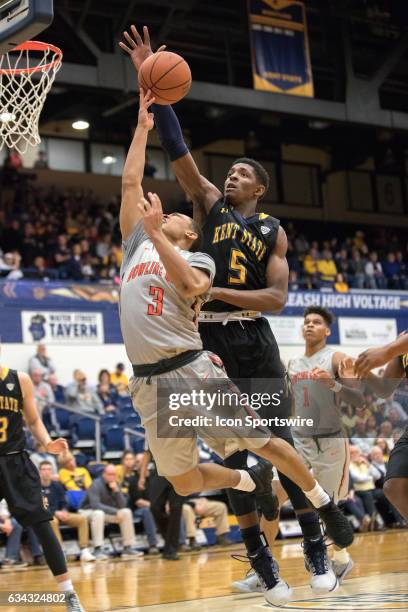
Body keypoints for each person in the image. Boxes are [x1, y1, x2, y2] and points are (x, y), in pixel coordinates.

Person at [119, 25, 343, 604]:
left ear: (260, 189)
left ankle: (317, 543)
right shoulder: (206, 207)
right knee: (238, 456)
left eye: (242, 174)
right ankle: (265, 564)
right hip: (203, 344)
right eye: (231, 172)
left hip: (253, 340)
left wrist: (218, 296)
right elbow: (176, 150)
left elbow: (275, 300)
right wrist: (156, 86)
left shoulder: (272, 232)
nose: (231, 176)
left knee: (277, 439)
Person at [287, 307, 364, 584]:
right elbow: (291, 404)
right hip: (299, 438)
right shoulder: (292, 363)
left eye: (316, 322)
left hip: (330, 442)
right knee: (287, 495)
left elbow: (359, 400)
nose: (309, 325)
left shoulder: (338, 358)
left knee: (327, 505)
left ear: (327, 330)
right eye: (306, 322)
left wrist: (331, 384)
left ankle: (340, 556)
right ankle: (319, 554)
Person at [0, 360, 84, 610]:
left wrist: (47, 443)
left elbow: (34, 421)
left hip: (16, 462)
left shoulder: (20, 380)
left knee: (43, 525)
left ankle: (69, 596)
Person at [352, 332, 408, 520]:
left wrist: (386, 350)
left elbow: (387, 351)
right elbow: (385, 389)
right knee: (394, 485)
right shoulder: (403, 338)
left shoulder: (397, 344)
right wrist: (363, 370)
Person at [80, 464, 142, 559]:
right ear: (104, 474)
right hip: (87, 511)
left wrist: (117, 491)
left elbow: (122, 505)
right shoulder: (95, 484)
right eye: (110, 474)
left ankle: (127, 548)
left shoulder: (116, 484)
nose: (112, 477)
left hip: (105, 512)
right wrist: (115, 511)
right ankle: (97, 549)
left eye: (114, 474)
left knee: (126, 512)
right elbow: (95, 505)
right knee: (98, 513)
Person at [39, 461, 96, 562]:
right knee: (53, 521)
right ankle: (60, 552)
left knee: (82, 519)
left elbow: (64, 501)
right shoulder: (37, 488)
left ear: (52, 471)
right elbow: (40, 506)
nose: (46, 472)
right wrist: (55, 513)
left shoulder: (57, 485)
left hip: (61, 513)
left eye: (49, 469)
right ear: (39, 472)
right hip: (47, 516)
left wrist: (65, 510)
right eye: (44, 469)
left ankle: (84, 550)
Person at [127, 453, 160, 555]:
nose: (140, 463)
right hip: (138, 510)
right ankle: (153, 545)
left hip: (155, 506)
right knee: (148, 511)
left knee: (174, 506)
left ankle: (180, 542)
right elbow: (139, 502)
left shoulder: (155, 477)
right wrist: (155, 506)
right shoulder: (133, 480)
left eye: (142, 460)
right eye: (137, 461)